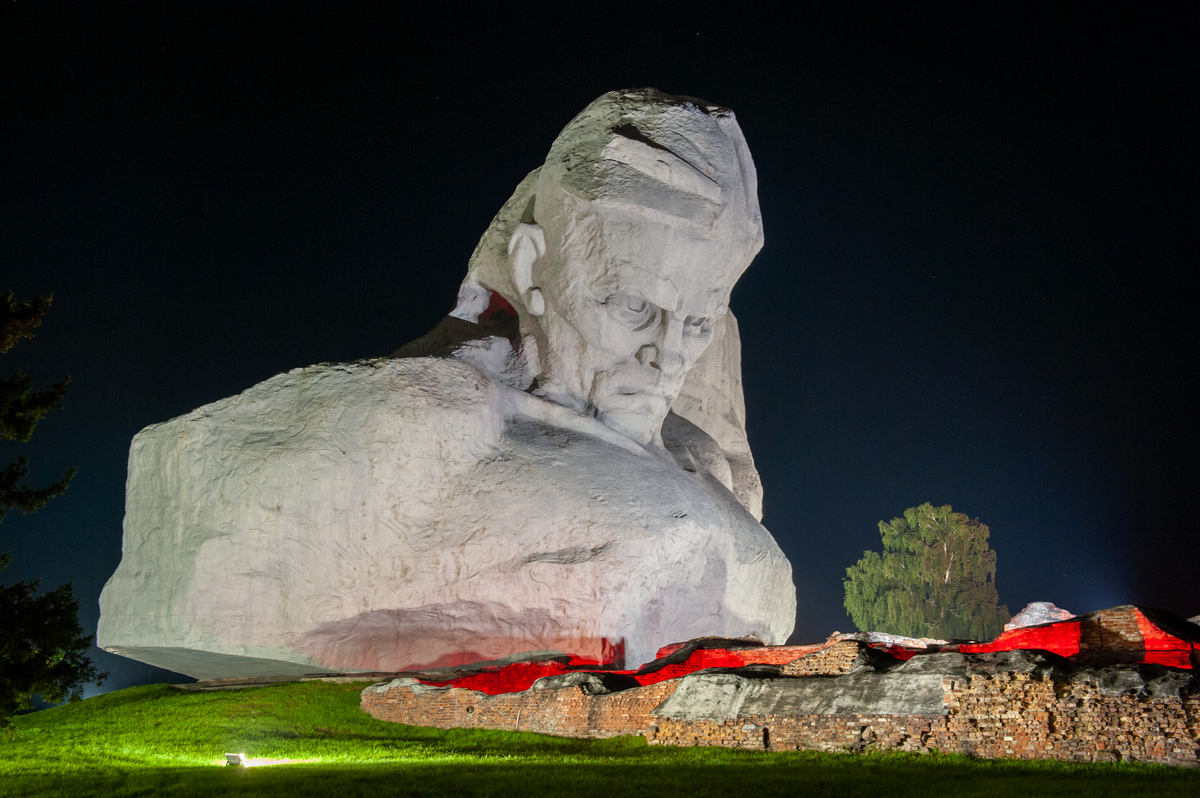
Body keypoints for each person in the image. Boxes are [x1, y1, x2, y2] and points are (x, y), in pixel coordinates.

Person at [98, 90, 796, 678]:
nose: (667, 358)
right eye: (635, 308)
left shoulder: (695, 454)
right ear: (532, 270)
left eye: (699, 323)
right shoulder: (434, 416)